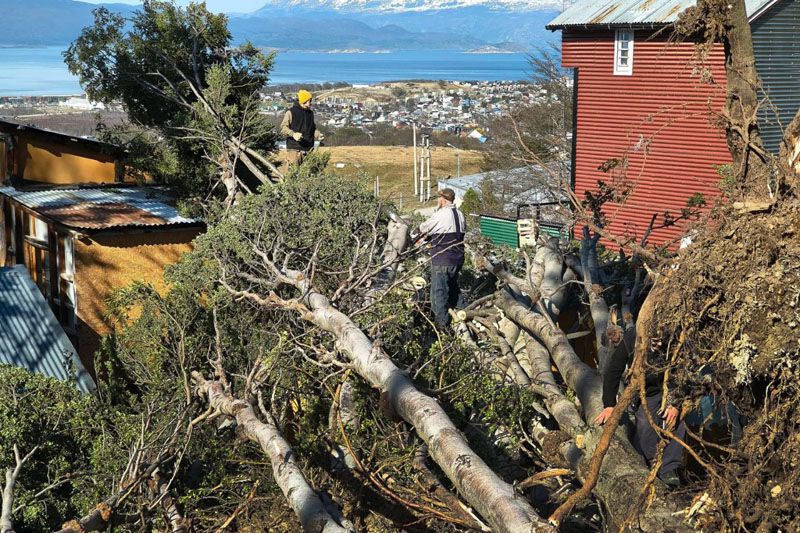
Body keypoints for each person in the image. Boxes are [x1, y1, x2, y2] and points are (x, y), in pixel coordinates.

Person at [594, 326, 686, 488]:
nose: (658, 344)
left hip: (671, 389)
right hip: (647, 392)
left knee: (677, 422)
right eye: (654, 341)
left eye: (660, 341)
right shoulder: (632, 337)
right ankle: (648, 466)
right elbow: (613, 372)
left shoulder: (676, 337)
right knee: (644, 426)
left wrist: (676, 403)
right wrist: (609, 405)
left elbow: (683, 372)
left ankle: (669, 469)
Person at [418, 188, 466, 328]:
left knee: (438, 294)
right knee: (453, 288)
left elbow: (424, 228)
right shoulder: (460, 214)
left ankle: (441, 327)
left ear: (443, 200)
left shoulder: (440, 214)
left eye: (438, 199)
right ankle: (466, 314)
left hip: (443, 259)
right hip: (458, 259)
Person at [280, 89, 323, 170]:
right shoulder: (291, 112)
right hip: (294, 151)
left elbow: (313, 129)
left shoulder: (310, 113)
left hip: (309, 151)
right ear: (304, 101)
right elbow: (283, 128)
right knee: (292, 176)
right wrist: (293, 134)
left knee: (306, 179)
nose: (311, 102)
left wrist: (318, 134)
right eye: (309, 100)